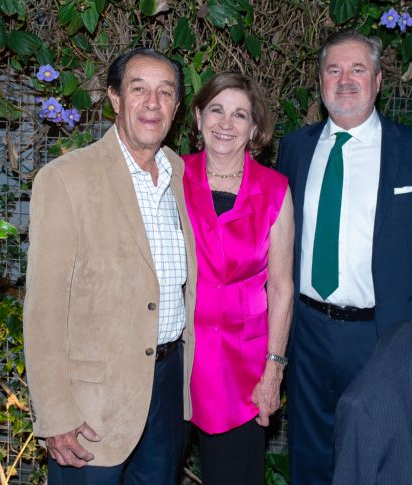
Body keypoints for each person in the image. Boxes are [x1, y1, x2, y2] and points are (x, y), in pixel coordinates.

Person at [276, 30, 412, 485]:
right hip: (308, 336)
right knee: (310, 457)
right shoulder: (294, 150)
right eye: (333, 69)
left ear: (378, 80)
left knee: (380, 459)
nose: (345, 80)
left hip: (385, 337)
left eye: (357, 69)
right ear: (320, 81)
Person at [23, 47, 197, 484]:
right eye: (139, 89)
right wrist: (55, 413)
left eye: (165, 92)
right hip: (91, 406)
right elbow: (44, 307)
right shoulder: (66, 179)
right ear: (115, 98)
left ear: (176, 108)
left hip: (168, 390)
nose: (152, 103)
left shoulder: (181, 175)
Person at [181, 72, 295, 485]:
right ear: (197, 118)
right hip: (173, 359)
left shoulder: (275, 191)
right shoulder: (171, 176)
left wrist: (274, 370)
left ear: (255, 128)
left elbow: (282, 288)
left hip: (241, 369)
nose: (226, 123)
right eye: (216, 110)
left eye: (240, 114)